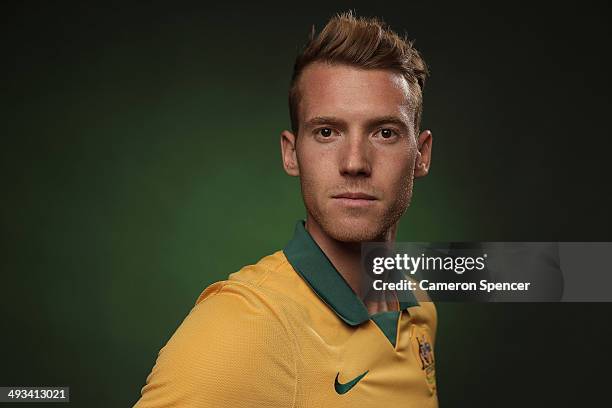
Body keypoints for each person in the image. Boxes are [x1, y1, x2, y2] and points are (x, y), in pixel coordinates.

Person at [134, 11, 437, 407]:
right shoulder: (242, 326)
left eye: (385, 133)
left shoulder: (418, 302)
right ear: (292, 154)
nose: (355, 162)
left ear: (421, 154)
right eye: (327, 132)